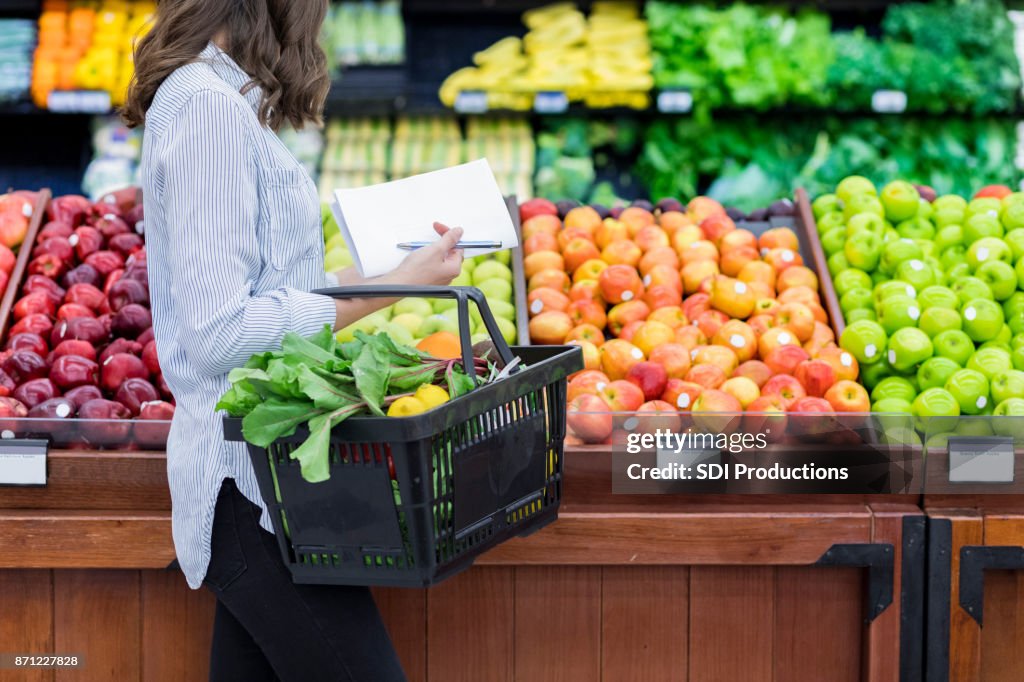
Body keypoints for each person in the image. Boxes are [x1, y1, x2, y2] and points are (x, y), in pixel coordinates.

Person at [123, 2, 463, 680]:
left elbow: (271, 287)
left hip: (274, 487)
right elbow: (221, 331)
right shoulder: (206, 112)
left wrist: (392, 273)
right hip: (249, 491)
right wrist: (387, 292)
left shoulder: (219, 100)